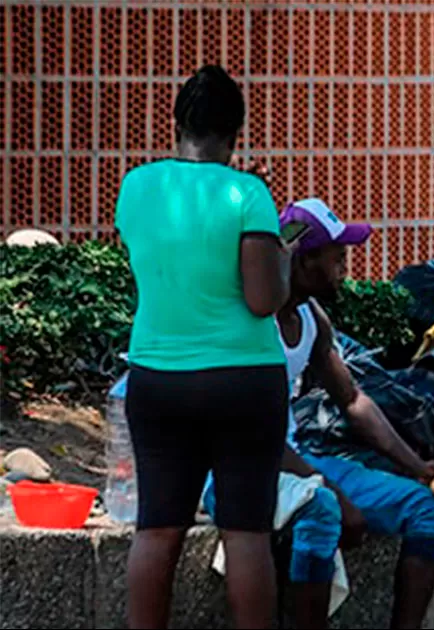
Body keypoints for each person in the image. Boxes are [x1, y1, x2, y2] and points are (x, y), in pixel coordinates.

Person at [209, 198, 434, 629]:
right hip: (236, 467)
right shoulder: (252, 323)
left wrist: (418, 467)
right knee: (323, 508)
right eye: (337, 258)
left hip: (291, 460)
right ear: (303, 263)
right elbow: (252, 434)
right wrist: (331, 491)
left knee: (429, 511)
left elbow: (354, 402)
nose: (345, 267)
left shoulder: (312, 317)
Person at [115, 65, 292, 629]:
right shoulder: (249, 192)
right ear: (236, 131)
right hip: (243, 381)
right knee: (246, 535)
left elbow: (163, 265)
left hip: (157, 377)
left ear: (177, 122)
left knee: (157, 527)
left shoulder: (137, 186)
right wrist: (283, 253)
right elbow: (263, 298)